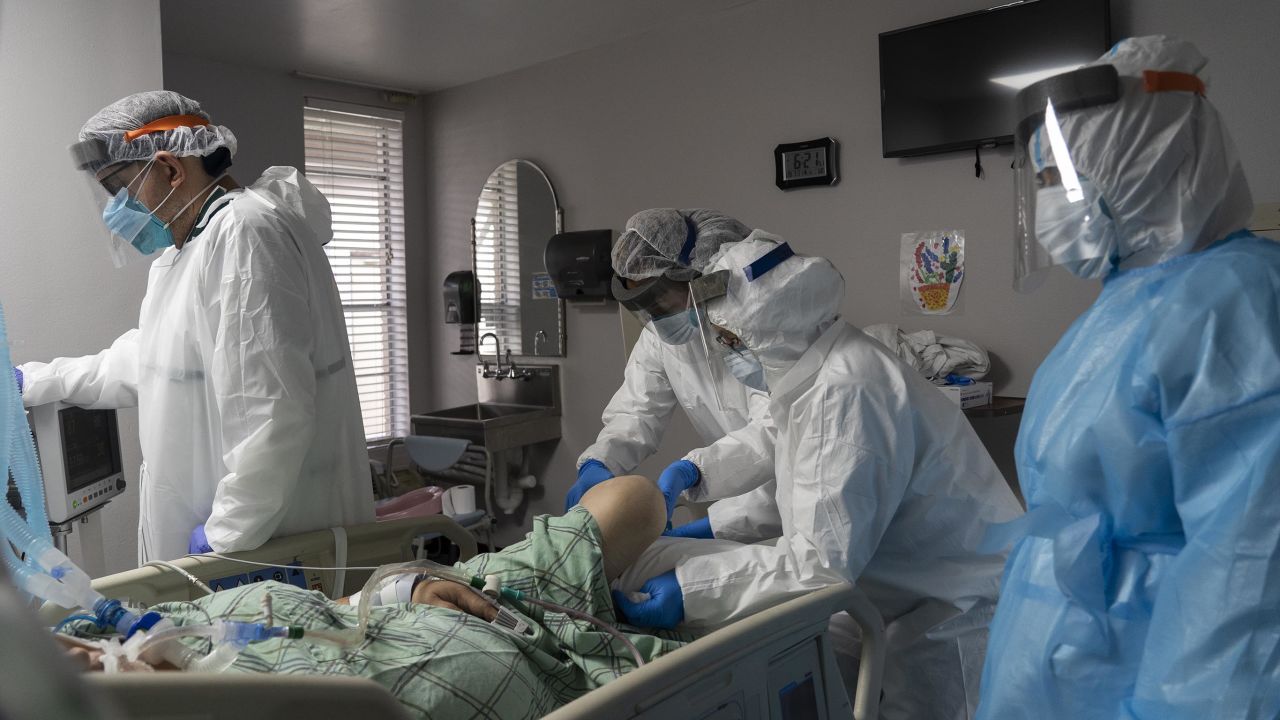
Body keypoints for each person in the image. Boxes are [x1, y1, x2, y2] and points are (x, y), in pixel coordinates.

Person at [978, 36, 1280, 719]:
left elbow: (1252, 578)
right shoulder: (1127, 304)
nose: (1051, 201)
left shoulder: (1238, 304)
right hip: (1070, 666)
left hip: (1145, 677)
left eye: (1061, 178)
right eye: (1045, 180)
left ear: (1143, 165)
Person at [613, 236, 1024, 719]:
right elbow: (810, 482)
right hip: (909, 594)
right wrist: (709, 516)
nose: (726, 354)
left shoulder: (847, 391)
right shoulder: (818, 368)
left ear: (767, 328)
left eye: (728, 340)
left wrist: (691, 591)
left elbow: (820, 561)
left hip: (954, 614)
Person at [19, 91, 373, 562]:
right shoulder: (188, 251)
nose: (114, 210)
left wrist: (225, 536)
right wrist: (35, 380)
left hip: (262, 542)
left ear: (169, 169)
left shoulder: (246, 235)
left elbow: (272, 415)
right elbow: (152, 362)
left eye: (120, 189)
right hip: (232, 534)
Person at [56, 476, 687, 720]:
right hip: (548, 679)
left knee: (632, 499)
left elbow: (337, 612)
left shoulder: (156, 624)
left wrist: (408, 587)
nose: (75, 658)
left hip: (466, 596)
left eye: (61, 648)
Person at [568, 208, 780, 542]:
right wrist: (601, 461)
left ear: (699, 276)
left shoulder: (765, 328)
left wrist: (694, 473)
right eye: (644, 306)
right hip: (740, 503)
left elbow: (773, 434)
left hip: (794, 500)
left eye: (660, 301)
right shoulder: (660, 337)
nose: (655, 317)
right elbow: (637, 411)